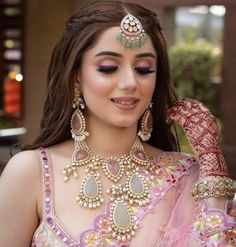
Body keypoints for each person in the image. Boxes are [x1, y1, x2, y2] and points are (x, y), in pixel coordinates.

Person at [0, 1, 235, 246]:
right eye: (108, 68)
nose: (129, 82)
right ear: (76, 77)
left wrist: (212, 169)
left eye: (144, 69)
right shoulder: (32, 172)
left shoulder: (184, 175)